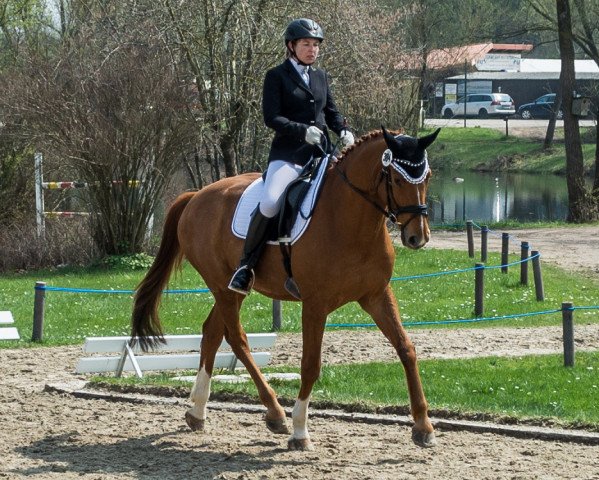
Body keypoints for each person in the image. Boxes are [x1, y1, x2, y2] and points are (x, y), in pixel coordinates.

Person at [228, 17, 354, 295]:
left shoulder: (320, 77)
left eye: (316, 45)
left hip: (321, 155)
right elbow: (271, 117)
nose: (312, 50)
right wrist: (301, 131)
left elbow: (330, 112)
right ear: (291, 45)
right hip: (289, 156)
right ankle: (245, 267)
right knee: (272, 202)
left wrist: (344, 129)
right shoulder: (276, 76)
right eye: (306, 44)